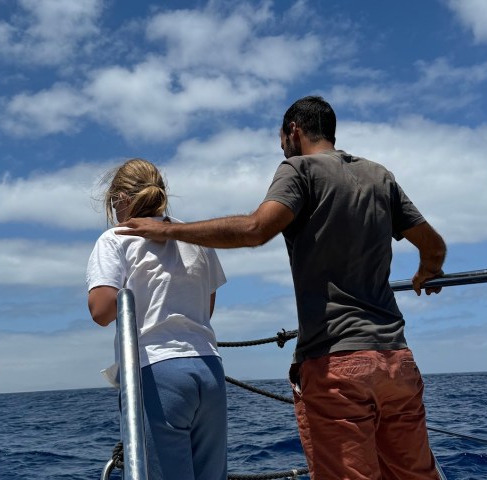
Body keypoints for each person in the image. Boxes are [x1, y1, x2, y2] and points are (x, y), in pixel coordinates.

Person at [117, 96, 447, 479]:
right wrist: (427, 271)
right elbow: (434, 247)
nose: (281, 147)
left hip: (336, 361)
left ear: (293, 131)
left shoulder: (299, 169)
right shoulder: (379, 175)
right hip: (396, 361)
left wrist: (168, 229)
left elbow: (257, 229)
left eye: (281, 139)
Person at [85, 158, 228, 480]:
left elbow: (101, 311)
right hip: (209, 369)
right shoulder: (194, 237)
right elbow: (208, 306)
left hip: (157, 371)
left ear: (120, 199)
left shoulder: (115, 239)